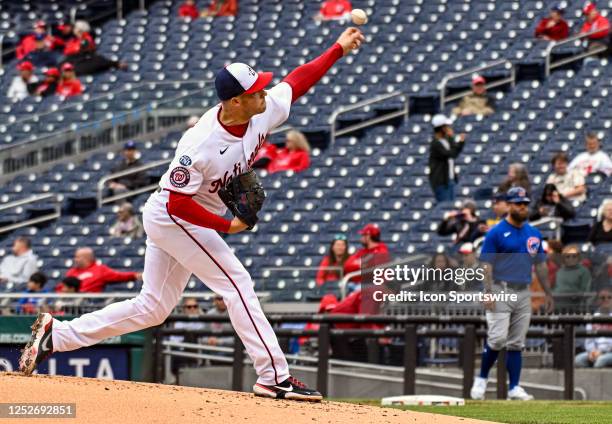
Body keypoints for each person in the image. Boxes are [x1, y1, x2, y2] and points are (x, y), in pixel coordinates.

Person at [20, 27, 366, 402]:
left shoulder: (260, 111)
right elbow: (176, 204)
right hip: (175, 217)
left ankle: (59, 335)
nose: (265, 93)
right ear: (233, 102)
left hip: (186, 215)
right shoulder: (200, 143)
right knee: (237, 285)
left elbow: (296, 81)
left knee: (152, 308)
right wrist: (226, 226)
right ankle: (274, 376)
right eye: (256, 91)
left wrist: (337, 49)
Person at [470, 186, 553, 401]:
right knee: (497, 339)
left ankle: (514, 387)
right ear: (509, 205)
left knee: (517, 342)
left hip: (523, 290)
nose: (523, 207)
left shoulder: (533, 233)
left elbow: (541, 265)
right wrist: (487, 292)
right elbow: (486, 264)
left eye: (525, 203)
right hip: (500, 288)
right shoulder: (496, 232)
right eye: (518, 203)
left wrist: (548, 293)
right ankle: (481, 378)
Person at [61, 247, 142, 293]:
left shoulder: (100, 269)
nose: (75, 259)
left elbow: (119, 276)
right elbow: (61, 288)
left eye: (78, 257)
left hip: (88, 304)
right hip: (69, 302)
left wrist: (134, 275)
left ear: (87, 258)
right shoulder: (71, 272)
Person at [428, 114, 465, 202]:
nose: (449, 128)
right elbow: (451, 154)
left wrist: (452, 138)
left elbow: (453, 150)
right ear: (442, 128)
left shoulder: (446, 140)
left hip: (450, 180)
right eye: (446, 126)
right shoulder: (436, 144)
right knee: (446, 206)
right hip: (442, 182)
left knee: (452, 206)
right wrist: (460, 143)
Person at [575, 288, 612, 368]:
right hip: (596, 351)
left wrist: (602, 351)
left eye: (609, 297)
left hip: (610, 352)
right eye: (602, 298)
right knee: (578, 360)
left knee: (600, 361)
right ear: (597, 301)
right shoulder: (593, 318)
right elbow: (589, 341)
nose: (606, 300)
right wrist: (593, 352)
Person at [553, 245, 591, 312]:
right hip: (557, 306)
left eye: (574, 256)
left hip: (575, 308)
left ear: (578, 257)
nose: (571, 258)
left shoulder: (584, 271)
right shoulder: (559, 271)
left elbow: (586, 290)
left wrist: (576, 295)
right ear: (564, 258)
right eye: (568, 256)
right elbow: (555, 288)